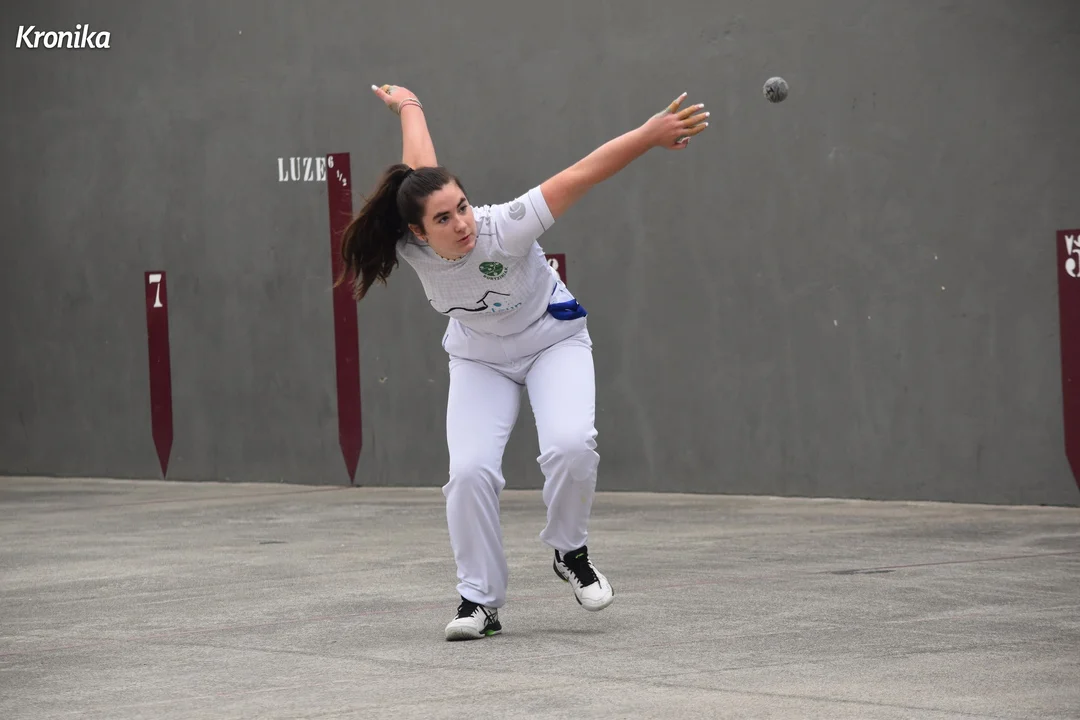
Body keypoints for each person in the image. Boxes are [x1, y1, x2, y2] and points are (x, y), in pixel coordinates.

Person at [336, 83, 709, 641]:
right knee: (469, 473)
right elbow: (418, 170)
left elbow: (583, 173)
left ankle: (570, 551)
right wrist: (408, 107)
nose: (462, 223)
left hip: (552, 341)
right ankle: (479, 602)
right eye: (444, 219)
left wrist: (649, 135)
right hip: (479, 359)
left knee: (571, 445)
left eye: (463, 207)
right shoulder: (409, 246)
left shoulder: (505, 226)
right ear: (418, 232)